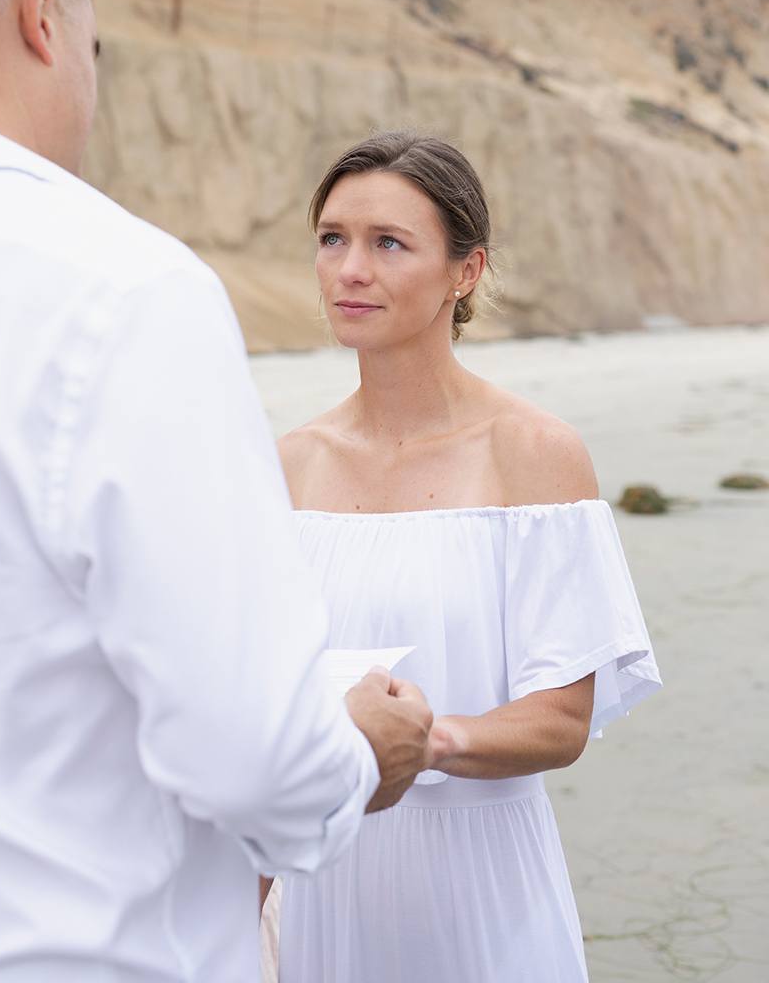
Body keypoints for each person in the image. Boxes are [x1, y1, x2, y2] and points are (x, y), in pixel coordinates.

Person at [0, 0, 433, 982]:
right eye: (94, 53)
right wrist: (357, 754)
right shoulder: (114, 286)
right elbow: (249, 756)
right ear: (43, 14)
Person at [270, 131, 663, 983]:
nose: (349, 270)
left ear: (466, 271)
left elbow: (561, 720)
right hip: (323, 883)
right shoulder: (288, 465)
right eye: (332, 238)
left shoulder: (535, 454)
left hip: (483, 887)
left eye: (388, 244)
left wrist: (422, 740)